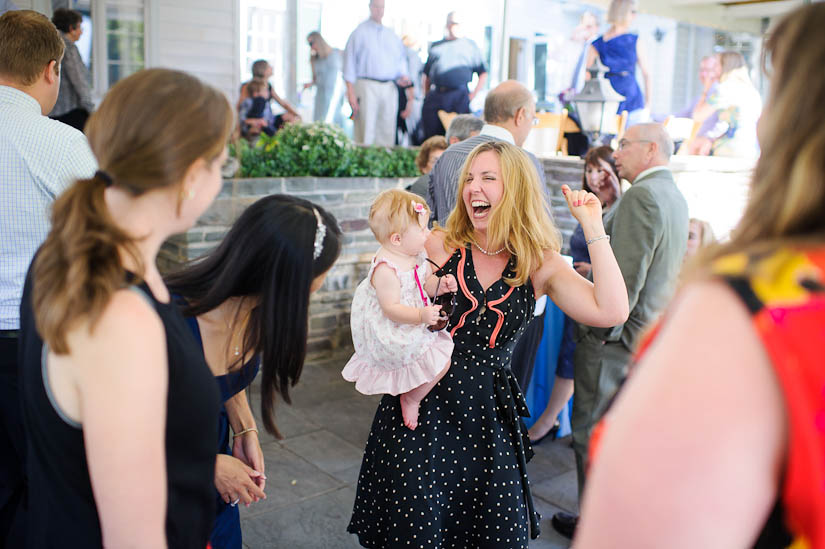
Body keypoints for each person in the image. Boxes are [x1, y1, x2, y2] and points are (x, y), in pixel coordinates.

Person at [575, 5, 825, 547]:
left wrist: (605, 332)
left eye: (776, 90)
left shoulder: (757, 301)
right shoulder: (671, 192)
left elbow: (633, 272)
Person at [347, 140, 628, 547]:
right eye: (470, 179)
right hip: (420, 407)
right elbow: (383, 264)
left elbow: (612, 310)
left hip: (486, 418)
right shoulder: (439, 243)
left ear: (514, 188)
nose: (473, 188)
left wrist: (592, 226)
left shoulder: (540, 262)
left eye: (488, 178)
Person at [18, 67, 234, 547]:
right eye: (221, 165)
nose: (220, 180)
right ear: (190, 177)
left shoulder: (69, 248)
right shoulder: (120, 317)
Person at [165, 195, 342, 549]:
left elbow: (226, 377)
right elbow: (111, 431)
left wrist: (244, 428)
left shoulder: (256, 312)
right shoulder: (165, 321)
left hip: (213, 471)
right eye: (317, 278)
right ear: (284, 281)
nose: (320, 285)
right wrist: (206, 464)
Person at [552, 123, 688, 539]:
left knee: (592, 431)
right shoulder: (673, 194)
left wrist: (598, 337)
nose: (617, 153)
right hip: (644, 337)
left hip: (614, 343)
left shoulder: (643, 197)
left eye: (625, 145)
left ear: (650, 150)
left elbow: (624, 287)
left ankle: (597, 525)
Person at [0, 10, 97, 544]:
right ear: (51, 70)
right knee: (47, 486)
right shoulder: (60, 142)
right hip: (37, 344)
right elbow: (103, 247)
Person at [427, 80, 549, 393]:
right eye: (533, 119)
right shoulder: (525, 163)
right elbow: (538, 230)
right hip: (503, 303)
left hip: (442, 294)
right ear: (521, 115)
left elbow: (432, 216)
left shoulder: (447, 156)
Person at [528, 146, 621, 444]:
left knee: (573, 361)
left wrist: (592, 269)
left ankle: (551, 420)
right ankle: (552, 417)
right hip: (573, 286)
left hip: (595, 290)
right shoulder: (584, 203)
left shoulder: (618, 208)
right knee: (565, 357)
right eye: (590, 170)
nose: (594, 177)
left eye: (601, 170)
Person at [342, 190, 457, 430]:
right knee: (439, 360)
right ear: (396, 239)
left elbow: (424, 283)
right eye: (422, 229)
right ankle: (412, 398)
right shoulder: (386, 269)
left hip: (414, 316)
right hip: (394, 325)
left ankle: (411, 392)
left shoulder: (416, 255)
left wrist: (441, 285)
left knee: (441, 359)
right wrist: (421, 316)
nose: (428, 234)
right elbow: (391, 309)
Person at [342, 0, 412, 146]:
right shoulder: (359, 32)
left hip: (389, 87)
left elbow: (401, 61)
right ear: (370, 7)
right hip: (366, 85)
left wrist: (404, 77)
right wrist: (350, 93)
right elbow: (349, 64)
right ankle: (364, 165)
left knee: (387, 130)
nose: (379, 10)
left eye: (382, 7)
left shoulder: (391, 35)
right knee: (366, 130)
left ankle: (384, 164)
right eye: (376, 6)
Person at [420, 11, 488, 140]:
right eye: (451, 23)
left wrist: (473, 95)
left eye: (456, 23)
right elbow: (426, 76)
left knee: (459, 136)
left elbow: (483, 73)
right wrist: (427, 95)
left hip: (459, 96)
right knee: (431, 136)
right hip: (436, 96)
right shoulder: (436, 46)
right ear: (446, 24)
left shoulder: (470, 46)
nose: (453, 26)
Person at [586, 0, 651, 125]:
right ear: (622, 12)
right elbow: (588, 75)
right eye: (632, 12)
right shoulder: (597, 44)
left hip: (632, 98)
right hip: (607, 97)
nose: (634, 16)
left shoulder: (634, 40)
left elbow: (647, 74)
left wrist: (648, 105)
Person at [689, 51, 762, 159]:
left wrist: (706, 88)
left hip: (730, 151)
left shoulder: (725, 89)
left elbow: (698, 116)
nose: (713, 70)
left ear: (725, 66)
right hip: (751, 149)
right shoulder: (752, 91)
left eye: (716, 65)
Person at [49, 8, 94, 131]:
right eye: (80, 27)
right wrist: (90, 109)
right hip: (71, 111)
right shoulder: (68, 47)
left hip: (52, 111)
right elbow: (79, 79)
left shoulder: (51, 44)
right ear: (71, 29)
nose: (81, 32)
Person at [238, 59, 301, 135]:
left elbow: (283, 103)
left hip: (269, 119)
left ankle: (281, 139)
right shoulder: (248, 86)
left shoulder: (268, 86)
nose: (272, 68)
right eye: (269, 67)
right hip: (255, 121)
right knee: (257, 127)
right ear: (262, 70)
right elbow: (239, 106)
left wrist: (297, 114)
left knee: (292, 117)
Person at [304, 31, 343, 124]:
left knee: (333, 120)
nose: (311, 46)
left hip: (333, 94)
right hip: (321, 94)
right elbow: (315, 79)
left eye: (311, 43)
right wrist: (310, 84)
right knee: (319, 120)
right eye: (309, 44)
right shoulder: (314, 59)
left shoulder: (335, 54)